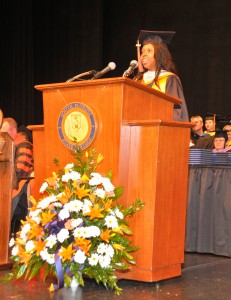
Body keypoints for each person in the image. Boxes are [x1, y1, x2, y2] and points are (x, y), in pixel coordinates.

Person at [134, 30, 189, 121]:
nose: (143, 54)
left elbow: (176, 112)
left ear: (159, 54)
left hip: (159, 130)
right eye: (142, 51)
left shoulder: (169, 79)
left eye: (149, 51)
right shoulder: (137, 80)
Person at [0, 117, 34, 234]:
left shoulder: (24, 145)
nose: (2, 136)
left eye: (4, 133)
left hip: (18, 188)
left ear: (13, 131)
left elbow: (20, 171)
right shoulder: (7, 146)